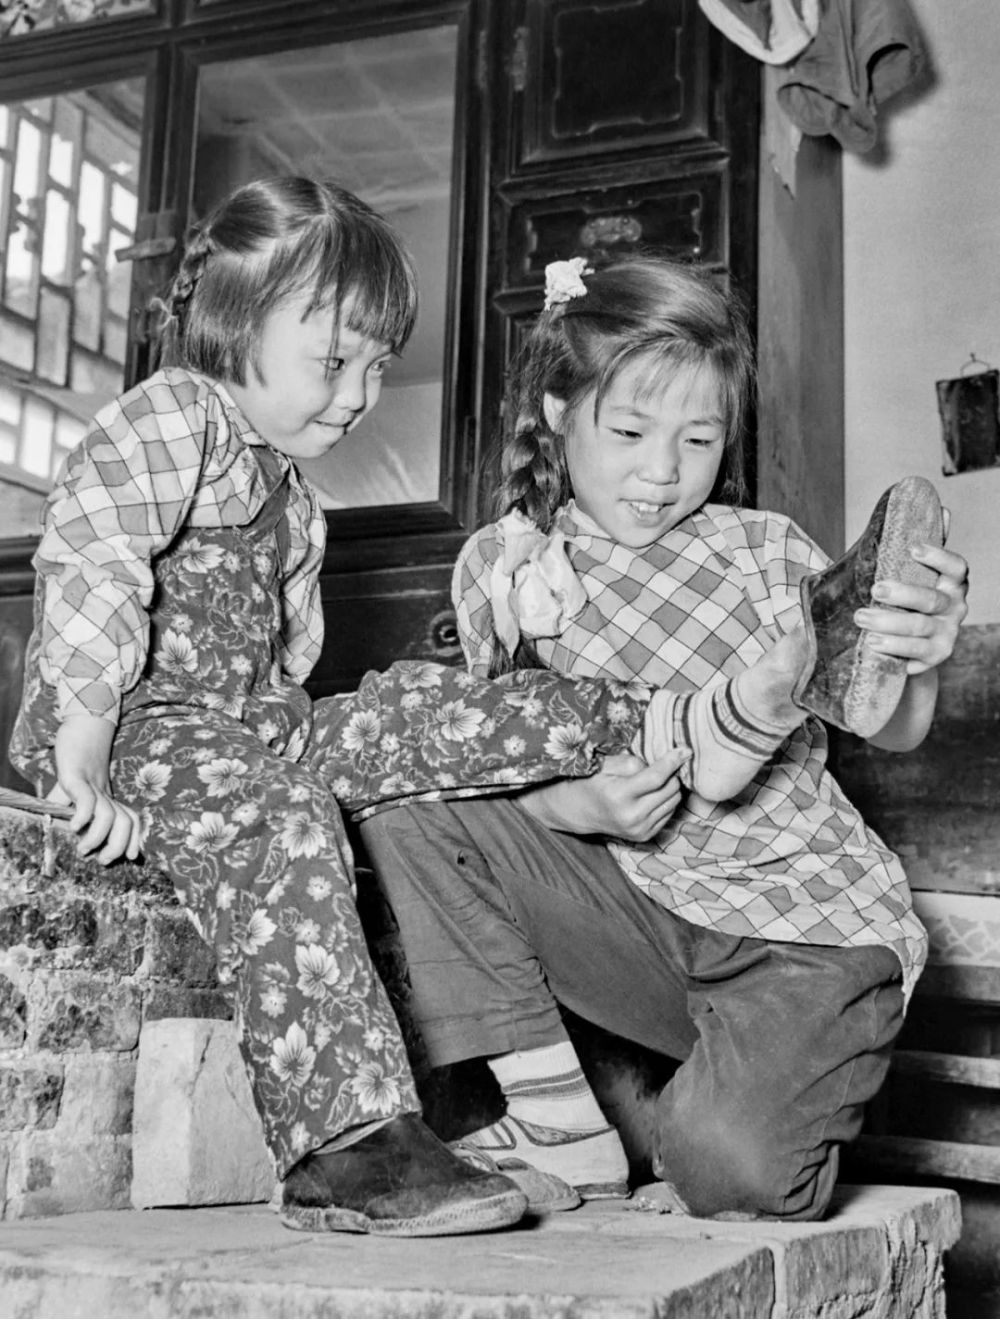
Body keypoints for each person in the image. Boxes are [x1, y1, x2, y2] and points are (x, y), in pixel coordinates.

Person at [7, 181, 706, 1238]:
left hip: (250, 725)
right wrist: (85, 744)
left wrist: (353, 734)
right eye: (334, 361)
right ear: (234, 324)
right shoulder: (173, 414)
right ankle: (347, 1143)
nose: (359, 394)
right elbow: (94, 556)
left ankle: (669, 712)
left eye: (377, 367)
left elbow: (285, 665)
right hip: (135, 722)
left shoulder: (289, 488)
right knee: (288, 809)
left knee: (418, 708)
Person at [358, 253, 970, 1221]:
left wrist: (918, 655)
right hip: (640, 923)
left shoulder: (763, 550)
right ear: (560, 410)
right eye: (630, 431)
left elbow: (889, 721)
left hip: (800, 934)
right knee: (403, 782)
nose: (662, 470)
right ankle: (556, 1118)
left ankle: (740, 1099)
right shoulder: (503, 565)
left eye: (698, 438)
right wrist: (569, 804)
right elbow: (486, 759)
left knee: (725, 1172)